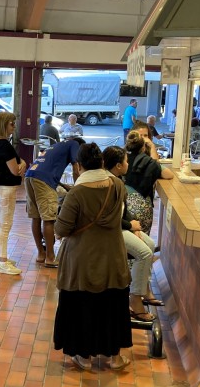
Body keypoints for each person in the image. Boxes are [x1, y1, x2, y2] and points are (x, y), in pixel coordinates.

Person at [53, 143, 131, 372]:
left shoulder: (77, 193)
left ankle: (83, 357)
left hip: (83, 261)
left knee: (82, 307)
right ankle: (114, 357)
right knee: (113, 306)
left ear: (79, 166)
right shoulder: (117, 185)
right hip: (113, 258)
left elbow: (61, 229)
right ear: (102, 163)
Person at [104, 146, 159, 322]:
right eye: (126, 161)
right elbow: (110, 217)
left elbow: (123, 210)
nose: (129, 164)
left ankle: (143, 289)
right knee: (145, 253)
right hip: (111, 231)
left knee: (150, 244)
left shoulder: (117, 180)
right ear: (118, 165)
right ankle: (135, 300)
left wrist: (133, 226)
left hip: (121, 226)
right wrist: (130, 225)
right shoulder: (110, 183)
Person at [24, 137, 82, 268]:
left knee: (36, 217)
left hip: (29, 175)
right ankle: (50, 257)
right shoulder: (75, 144)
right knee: (49, 219)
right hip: (42, 180)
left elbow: (46, 169)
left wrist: (64, 186)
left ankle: (41, 254)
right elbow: (76, 168)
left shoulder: (57, 145)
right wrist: (79, 187)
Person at [0, 111, 26, 276]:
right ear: (4, 124)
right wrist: (23, 164)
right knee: (5, 225)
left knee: (0, 223)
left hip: (1, 188)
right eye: (12, 124)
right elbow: (15, 170)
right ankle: (3, 262)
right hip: (7, 188)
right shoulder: (5, 145)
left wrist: (21, 163)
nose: (14, 127)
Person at [124, 130, 173, 234]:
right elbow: (169, 175)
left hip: (123, 205)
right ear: (143, 147)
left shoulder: (121, 159)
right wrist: (152, 148)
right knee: (143, 239)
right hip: (142, 207)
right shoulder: (149, 162)